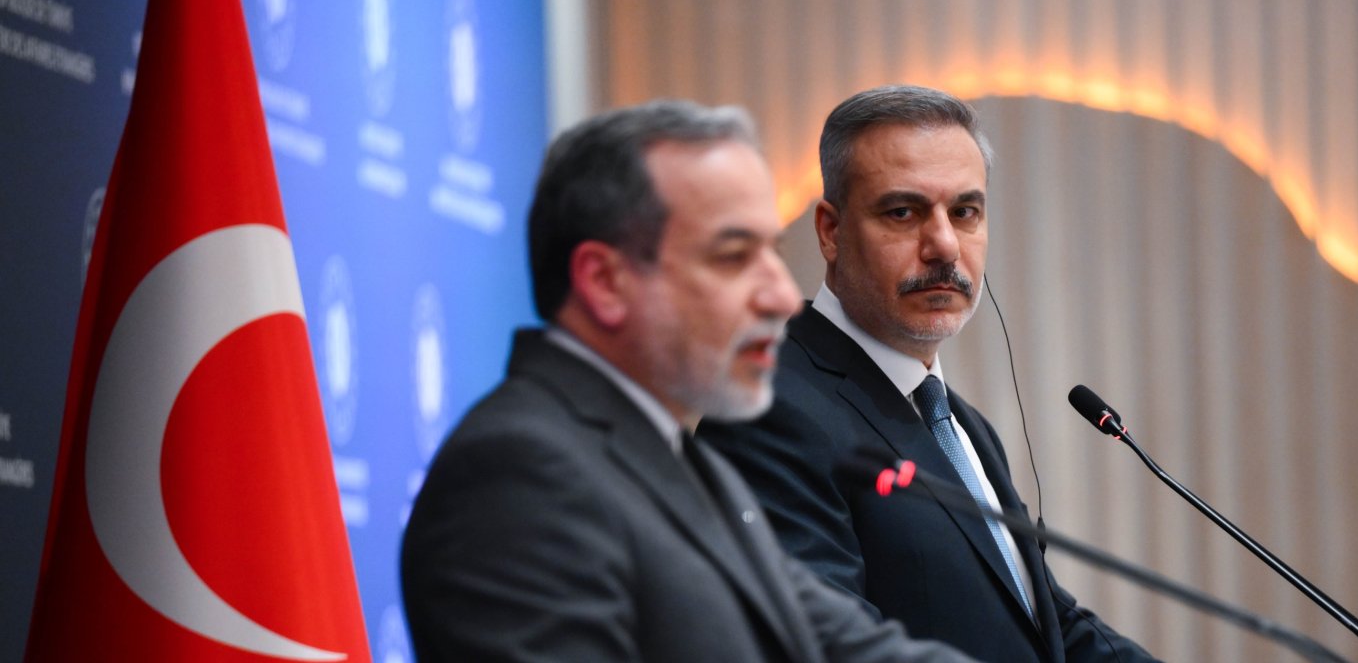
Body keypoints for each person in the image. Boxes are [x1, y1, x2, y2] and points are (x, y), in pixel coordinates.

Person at [401, 100, 976, 663]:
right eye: (733, 256)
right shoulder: (517, 472)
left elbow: (848, 647)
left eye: (771, 254)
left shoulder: (674, 458)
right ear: (604, 282)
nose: (779, 296)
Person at [698, 86, 1158, 662]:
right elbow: (824, 645)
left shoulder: (963, 426)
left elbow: (1048, 626)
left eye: (964, 212)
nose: (943, 246)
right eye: (903, 212)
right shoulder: (767, 408)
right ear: (831, 232)